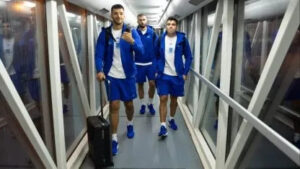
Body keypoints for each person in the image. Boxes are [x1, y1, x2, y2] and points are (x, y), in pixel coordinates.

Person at [95, 4, 144, 155]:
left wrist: (132, 42)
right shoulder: (105, 34)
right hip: (112, 76)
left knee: (129, 104)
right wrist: (99, 70)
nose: (118, 16)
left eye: (121, 13)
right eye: (115, 13)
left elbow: (141, 51)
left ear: (124, 15)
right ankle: (114, 138)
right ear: (111, 15)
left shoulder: (131, 32)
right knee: (114, 105)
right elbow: (98, 54)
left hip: (128, 76)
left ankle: (129, 124)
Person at [155, 17, 192, 137]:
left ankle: (171, 119)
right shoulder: (161, 38)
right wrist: (156, 69)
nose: (171, 26)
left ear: (176, 26)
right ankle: (162, 126)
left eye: (173, 24)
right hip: (163, 75)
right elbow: (155, 55)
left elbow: (189, 56)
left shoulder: (182, 39)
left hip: (177, 76)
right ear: (166, 26)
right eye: (169, 24)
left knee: (174, 100)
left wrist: (185, 72)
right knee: (163, 98)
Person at [135, 14, 158, 115]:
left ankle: (150, 103)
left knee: (152, 84)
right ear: (137, 21)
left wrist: (156, 64)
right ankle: (142, 104)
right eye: (140, 20)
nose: (142, 21)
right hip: (138, 63)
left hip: (150, 63)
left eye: (144, 19)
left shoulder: (152, 33)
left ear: (147, 20)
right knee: (140, 85)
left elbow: (157, 49)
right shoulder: (134, 33)